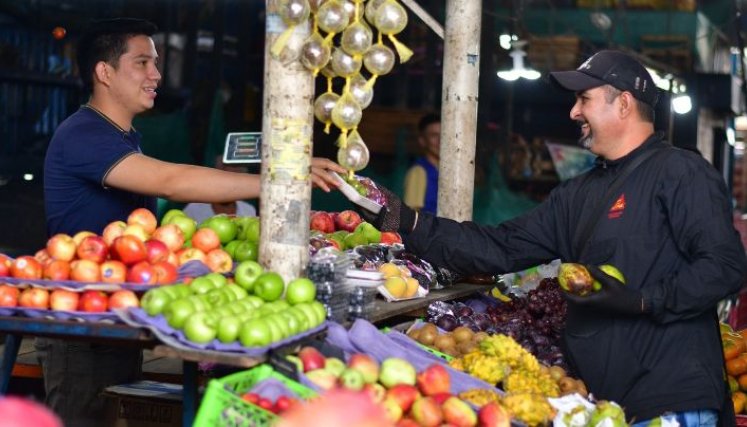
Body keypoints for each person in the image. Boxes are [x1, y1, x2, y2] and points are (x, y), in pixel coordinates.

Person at [359, 50, 747, 425]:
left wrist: (643, 299)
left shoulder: (680, 172)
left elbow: (726, 266)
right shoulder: (577, 194)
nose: (573, 111)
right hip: (607, 405)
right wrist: (405, 220)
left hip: (671, 402)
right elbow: (499, 247)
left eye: (584, 99)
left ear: (624, 104)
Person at [40, 18, 345, 426]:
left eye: (156, 63)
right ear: (104, 72)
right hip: (81, 321)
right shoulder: (83, 134)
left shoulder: (121, 136)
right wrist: (283, 177)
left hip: (116, 313)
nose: (156, 75)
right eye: (143, 62)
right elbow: (172, 180)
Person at [183, 155, 257, 224]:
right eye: (224, 179)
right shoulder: (193, 210)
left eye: (234, 182)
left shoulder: (248, 211)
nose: (227, 187)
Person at [403, 113, 440, 214]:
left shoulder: (446, 171)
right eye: (434, 136)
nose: (440, 141)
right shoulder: (418, 171)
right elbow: (412, 214)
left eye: (443, 135)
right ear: (422, 141)